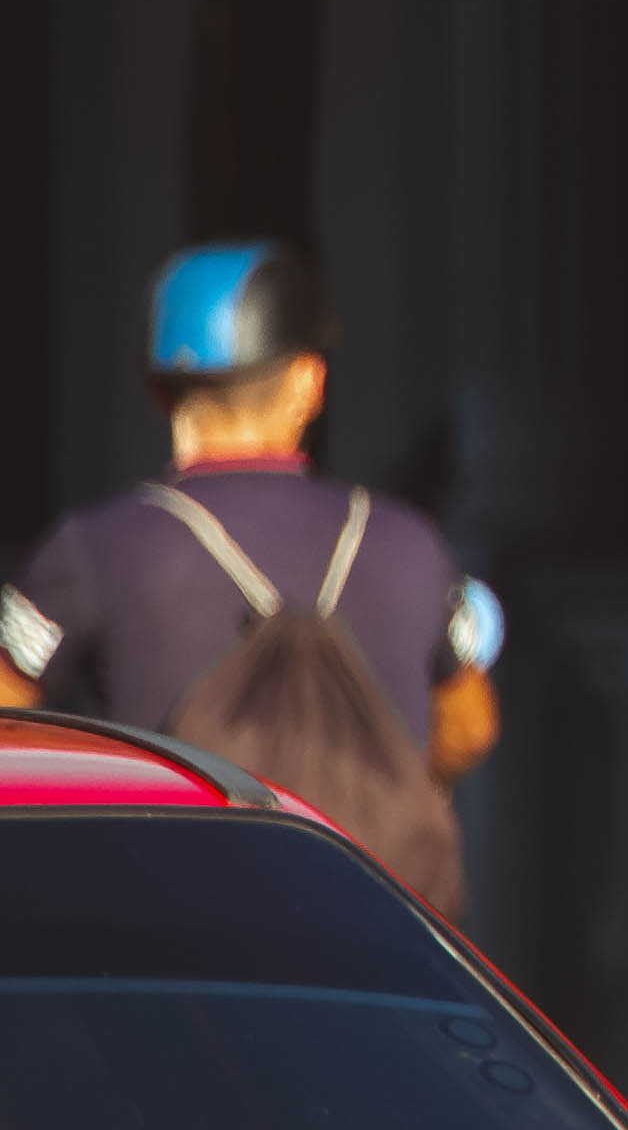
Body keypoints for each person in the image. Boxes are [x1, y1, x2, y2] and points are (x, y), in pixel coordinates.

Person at [6, 244, 496, 925]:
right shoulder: (413, 544)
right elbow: (470, 726)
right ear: (308, 382)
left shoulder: (94, 548)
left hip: (180, 958)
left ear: (157, 390)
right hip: (382, 960)